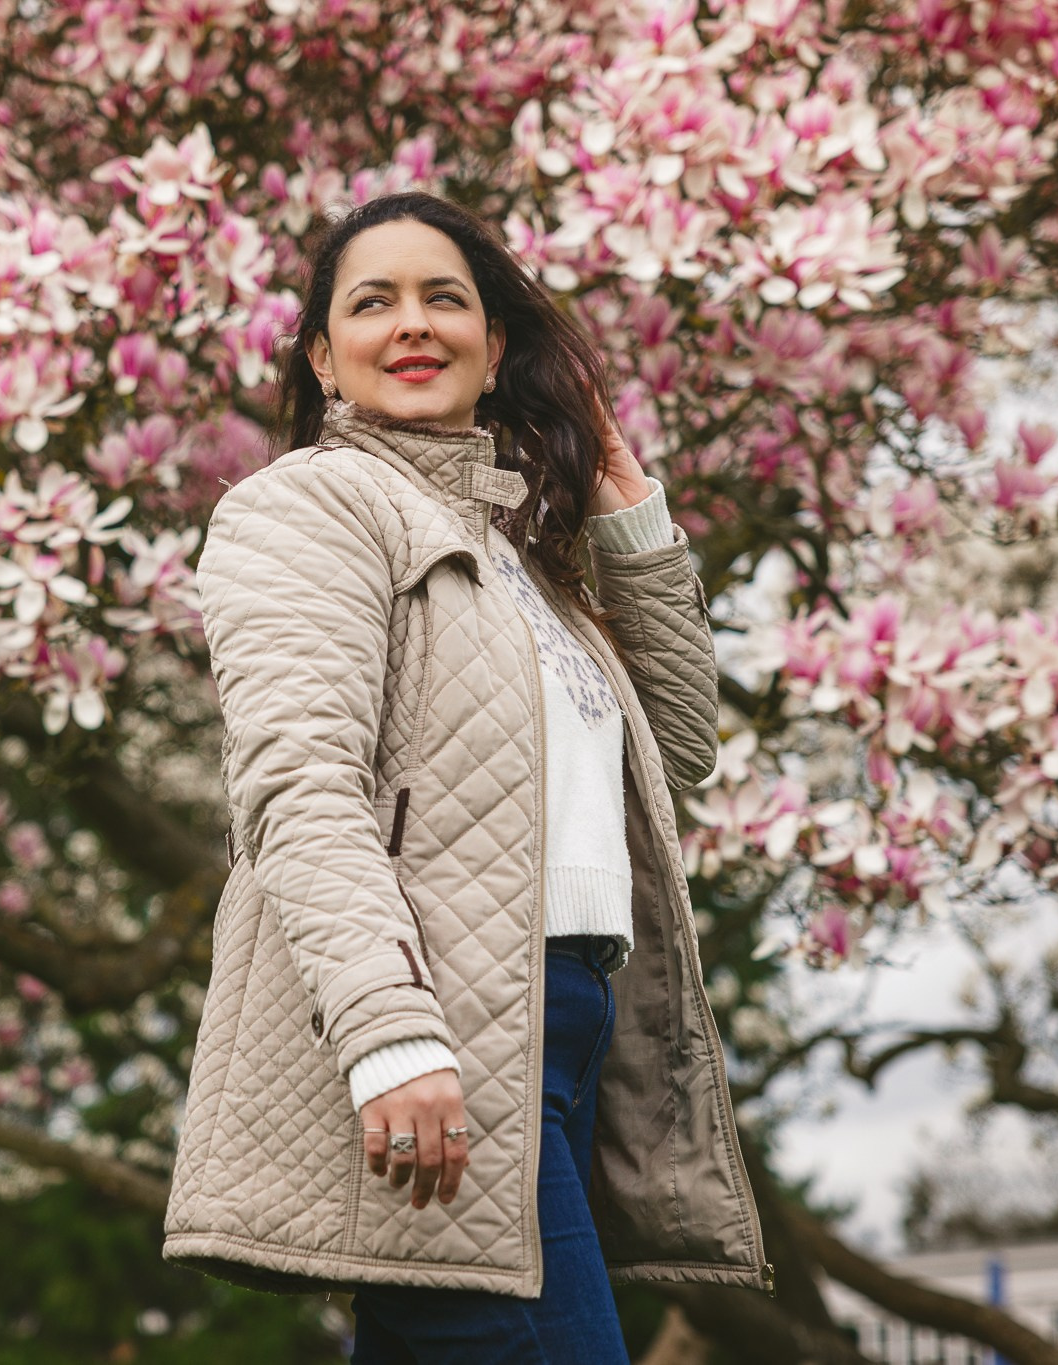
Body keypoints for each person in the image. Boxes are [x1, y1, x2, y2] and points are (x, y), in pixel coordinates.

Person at [162, 191, 770, 1362]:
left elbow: (681, 743)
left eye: (446, 299)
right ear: (320, 354)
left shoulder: (525, 563)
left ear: (497, 351)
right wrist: (392, 1036)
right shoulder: (308, 505)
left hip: (567, 1027)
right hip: (445, 1034)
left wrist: (616, 493)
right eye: (371, 301)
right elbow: (298, 784)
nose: (412, 324)